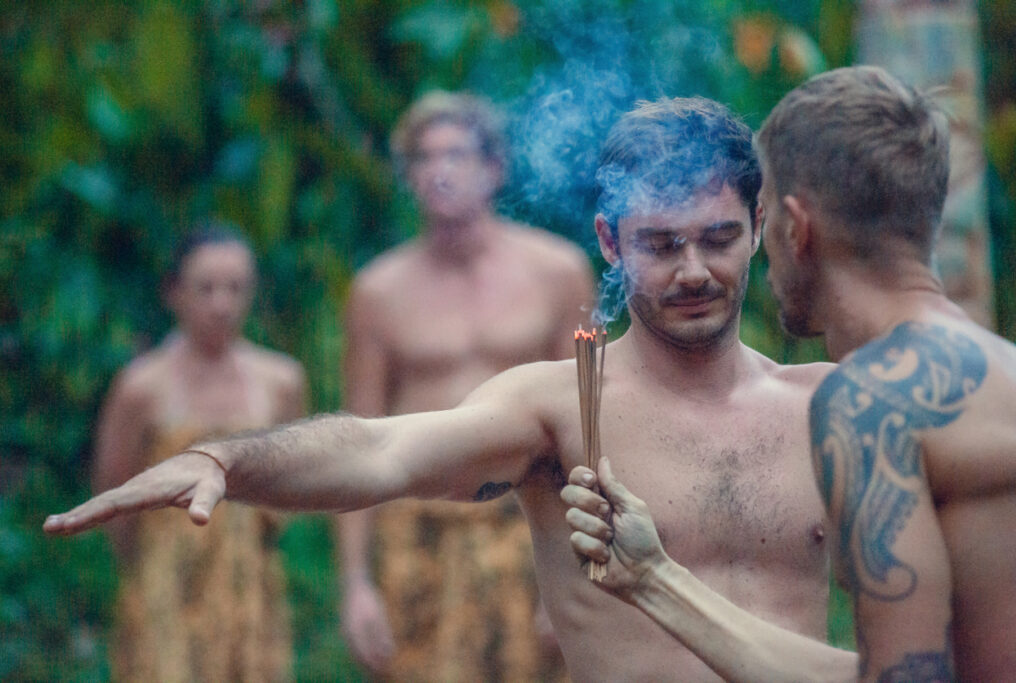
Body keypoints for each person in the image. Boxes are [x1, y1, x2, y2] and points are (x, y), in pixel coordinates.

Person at [46, 97, 855, 681]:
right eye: (660, 243)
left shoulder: (830, 408)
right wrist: (227, 458)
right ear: (611, 241)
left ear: (760, 229)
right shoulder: (554, 407)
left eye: (717, 238)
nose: (691, 271)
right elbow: (380, 445)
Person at [564, 66, 1016, 681]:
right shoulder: (1001, 370)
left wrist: (653, 580)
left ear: (795, 228)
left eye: (759, 218)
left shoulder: (871, 400)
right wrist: (654, 579)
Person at [335, 91, 593, 681]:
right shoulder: (378, 291)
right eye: (424, 159)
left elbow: (591, 423)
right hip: (417, 530)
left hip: (527, 525)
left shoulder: (557, 272)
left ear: (494, 168)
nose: (440, 170)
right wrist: (356, 583)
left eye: (457, 154)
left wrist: (578, 565)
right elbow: (358, 439)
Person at [92, 224, 307, 682]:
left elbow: (298, 483)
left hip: (251, 583)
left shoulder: (281, 381)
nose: (221, 305)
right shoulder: (141, 388)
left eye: (235, 288)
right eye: (205, 288)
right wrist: (148, 572)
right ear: (174, 292)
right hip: (165, 585)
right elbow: (114, 496)